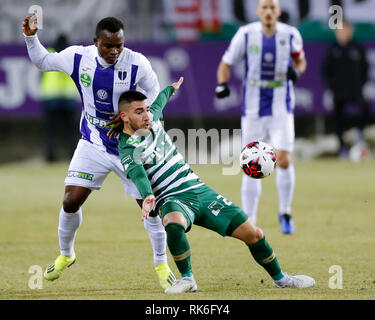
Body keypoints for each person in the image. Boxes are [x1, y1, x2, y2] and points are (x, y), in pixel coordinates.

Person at [116, 77, 315, 293]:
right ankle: (187, 279)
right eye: (139, 112)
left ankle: (282, 279)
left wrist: (170, 89)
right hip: (172, 198)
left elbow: (160, 100)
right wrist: (147, 195)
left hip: (200, 191)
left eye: (146, 109)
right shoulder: (126, 148)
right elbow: (138, 174)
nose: (146, 115)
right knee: (173, 223)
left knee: (254, 234)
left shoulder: (152, 118)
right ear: (124, 117)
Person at [22, 14, 176, 290]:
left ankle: (161, 263)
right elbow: (43, 61)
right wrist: (31, 37)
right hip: (93, 141)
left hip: (129, 148)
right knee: (70, 201)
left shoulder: (137, 63)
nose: (115, 51)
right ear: (96, 43)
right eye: (108, 46)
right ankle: (66, 255)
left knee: (149, 208)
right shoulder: (78, 58)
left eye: (119, 45)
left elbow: (155, 97)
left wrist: (138, 120)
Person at [215, 0, 307, 234]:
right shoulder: (245, 34)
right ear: (257, 11)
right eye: (264, 8)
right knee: (251, 164)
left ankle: (285, 212)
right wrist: (222, 84)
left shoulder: (290, 34)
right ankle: (250, 220)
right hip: (253, 110)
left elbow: (301, 61)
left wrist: (297, 71)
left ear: (278, 12)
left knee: (284, 159)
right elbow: (226, 63)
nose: (268, 12)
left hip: (281, 107)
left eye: (272, 8)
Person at [321, 20, 370, 159]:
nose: (342, 34)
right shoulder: (333, 49)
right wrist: (332, 86)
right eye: (339, 31)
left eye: (345, 31)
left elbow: (365, 69)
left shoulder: (357, 48)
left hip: (355, 90)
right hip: (338, 91)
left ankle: (359, 134)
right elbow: (325, 71)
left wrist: (360, 84)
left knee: (364, 110)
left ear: (350, 31)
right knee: (338, 119)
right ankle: (342, 147)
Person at [40, 34, 78, 162]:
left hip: (51, 97)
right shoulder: (71, 55)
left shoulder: (49, 53)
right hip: (68, 97)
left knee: (51, 130)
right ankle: (73, 155)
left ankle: (50, 156)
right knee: (71, 131)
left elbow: (41, 75)